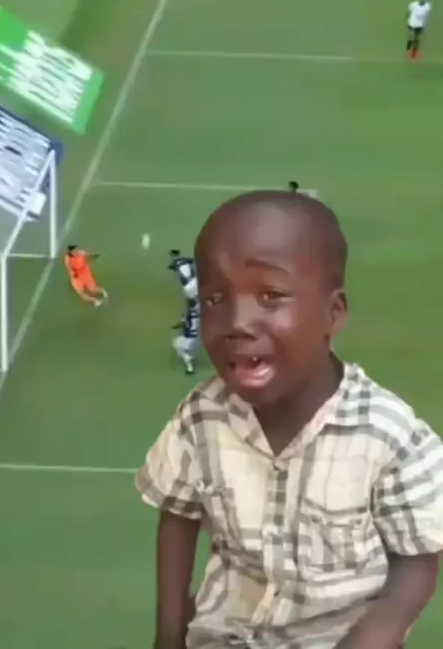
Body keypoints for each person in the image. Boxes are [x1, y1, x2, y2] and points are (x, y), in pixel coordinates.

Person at [136, 190, 443, 649]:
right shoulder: (201, 417)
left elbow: (418, 559)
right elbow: (178, 515)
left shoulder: (389, 435)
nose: (238, 321)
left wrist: (373, 636)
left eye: (271, 296)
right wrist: (168, 635)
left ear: (333, 313)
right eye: (216, 298)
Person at [172, 299, 200, 375]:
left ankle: (190, 368)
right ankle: (189, 358)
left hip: (189, 337)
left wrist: (175, 326)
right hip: (195, 337)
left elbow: (184, 323)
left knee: (180, 349)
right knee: (180, 345)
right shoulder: (198, 313)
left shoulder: (188, 314)